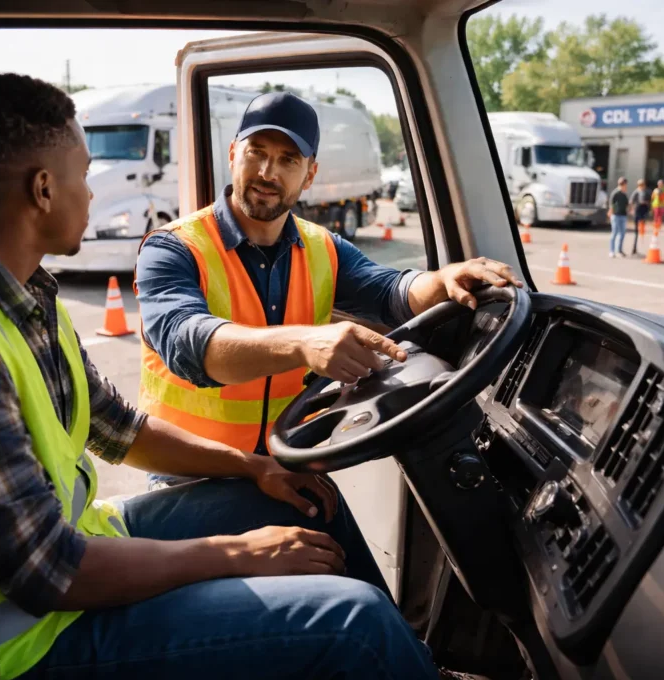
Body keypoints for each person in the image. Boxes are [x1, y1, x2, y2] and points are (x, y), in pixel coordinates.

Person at [0, 73, 440, 680]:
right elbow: (48, 570)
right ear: (43, 189)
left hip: (86, 538)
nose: (92, 193)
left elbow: (118, 429)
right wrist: (238, 554)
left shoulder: (18, 293)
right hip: (33, 633)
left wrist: (253, 468)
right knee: (357, 621)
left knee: (306, 503)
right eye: (84, 175)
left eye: (288, 160)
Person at [134, 91, 523, 489]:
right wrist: (304, 343)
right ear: (233, 153)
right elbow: (188, 345)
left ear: (310, 174)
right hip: (190, 476)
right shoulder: (173, 248)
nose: (268, 172)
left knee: (339, 550)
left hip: (286, 466)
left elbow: (391, 290)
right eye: (257, 152)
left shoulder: (323, 248)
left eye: (288, 160)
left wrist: (441, 281)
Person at [607, 176, 629, 258]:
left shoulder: (624, 195)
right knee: (614, 233)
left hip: (623, 215)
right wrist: (612, 212)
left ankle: (619, 250)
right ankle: (612, 251)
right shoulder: (615, 193)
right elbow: (612, 204)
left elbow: (626, 204)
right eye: (624, 185)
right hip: (616, 215)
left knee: (622, 233)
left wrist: (629, 209)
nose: (625, 186)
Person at [629, 179, 650, 255]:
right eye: (640, 185)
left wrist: (646, 203)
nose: (642, 187)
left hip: (643, 211)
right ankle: (634, 247)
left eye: (643, 185)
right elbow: (631, 201)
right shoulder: (636, 192)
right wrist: (631, 209)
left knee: (642, 229)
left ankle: (639, 244)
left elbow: (649, 201)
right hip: (637, 211)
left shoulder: (646, 192)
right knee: (636, 231)